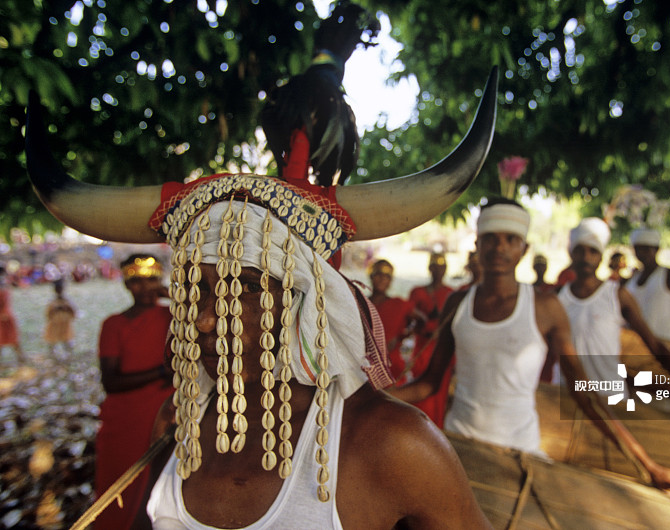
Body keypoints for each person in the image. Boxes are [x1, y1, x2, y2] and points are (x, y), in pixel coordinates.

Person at [24, 5, 499, 521]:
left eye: (246, 287)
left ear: (309, 302)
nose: (205, 319)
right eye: (196, 289)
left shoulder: (393, 444)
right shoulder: (180, 420)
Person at [390, 199, 670, 497]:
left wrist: (650, 466)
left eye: (511, 239)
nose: (499, 248)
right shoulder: (458, 303)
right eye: (490, 238)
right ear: (477, 245)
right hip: (460, 448)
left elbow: (584, 393)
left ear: (524, 249)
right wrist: (371, 396)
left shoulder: (545, 307)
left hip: (520, 454)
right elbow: (429, 383)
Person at [558, 218, 670, 421]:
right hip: (631, 359)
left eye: (648, 249)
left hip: (663, 355)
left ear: (656, 250)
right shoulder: (628, 281)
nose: (643, 253)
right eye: (639, 249)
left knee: (666, 417)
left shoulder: (666, 278)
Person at [93, 254, 174, 530]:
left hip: (167, 413)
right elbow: (111, 381)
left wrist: (171, 295)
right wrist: (161, 372)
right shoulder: (114, 324)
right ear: (127, 285)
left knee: (164, 482)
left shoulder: (173, 316)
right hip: (127, 417)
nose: (145, 287)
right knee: (121, 485)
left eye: (152, 280)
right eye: (137, 281)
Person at [406, 251, 455, 427]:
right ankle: (417, 427)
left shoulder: (451, 294)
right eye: (435, 267)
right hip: (422, 348)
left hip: (441, 349)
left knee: (438, 391)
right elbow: (408, 319)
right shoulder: (418, 292)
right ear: (430, 268)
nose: (438, 271)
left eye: (442, 267)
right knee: (418, 387)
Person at [368, 259, 415, 383]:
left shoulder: (399, 304)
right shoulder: (361, 302)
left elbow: (421, 320)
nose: (382, 279)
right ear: (371, 277)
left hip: (392, 365)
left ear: (390, 280)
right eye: (378, 275)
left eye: (387, 276)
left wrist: (402, 336)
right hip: (365, 365)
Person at [43, 278, 76, 359]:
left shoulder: (67, 301)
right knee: (52, 340)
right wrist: (55, 310)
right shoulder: (52, 301)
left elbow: (73, 312)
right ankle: (52, 354)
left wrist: (65, 309)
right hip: (54, 323)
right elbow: (48, 314)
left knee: (66, 339)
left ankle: (69, 354)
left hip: (65, 323)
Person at [0, 264, 24, 364]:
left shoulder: (3, 284)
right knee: (12, 338)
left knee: (8, 338)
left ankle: (21, 358)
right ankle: (21, 358)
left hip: (4, 315)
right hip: (7, 314)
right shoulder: (5, 284)